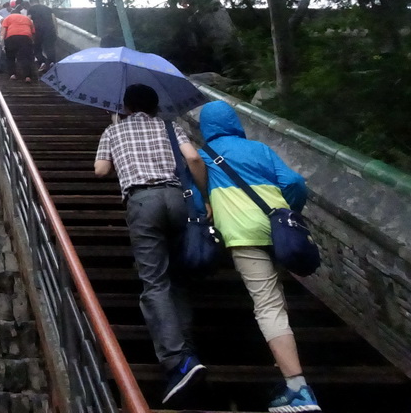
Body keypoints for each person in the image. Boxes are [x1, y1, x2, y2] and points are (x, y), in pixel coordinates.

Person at [198, 101, 321, 413]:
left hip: (243, 235)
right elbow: (294, 182)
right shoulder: (260, 149)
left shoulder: (204, 157)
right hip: (277, 229)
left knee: (268, 306)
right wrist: (287, 211)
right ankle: (291, 374)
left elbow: (197, 196)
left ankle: (298, 388)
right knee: (276, 298)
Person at [94, 83, 210, 404]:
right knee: (178, 279)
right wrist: (207, 197)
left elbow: (100, 170)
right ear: (155, 106)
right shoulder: (170, 127)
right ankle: (189, 350)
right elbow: (194, 159)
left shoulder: (113, 132)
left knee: (154, 282)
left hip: (142, 202)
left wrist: (116, 137)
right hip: (177, 200)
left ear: (127, 107)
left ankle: (177, 360)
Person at [0, 9, 35, 81]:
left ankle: (12, 74)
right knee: (26, 57)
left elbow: (3, 32)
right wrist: (32, 42)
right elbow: (33, 32)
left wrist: (1, 42)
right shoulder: (27, 19)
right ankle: (27, 76)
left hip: (11, 37)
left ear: (11, 13)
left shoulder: (8, 18)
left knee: (10, 57)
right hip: (25, 37)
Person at [27, 0, 57, 72]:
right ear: (38, 1)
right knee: (50, 47)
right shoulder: (48, 8)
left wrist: (29, 32)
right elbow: (54, 19)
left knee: (36, 48)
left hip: (38, 31)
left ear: (31, 3)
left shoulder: (31, 9)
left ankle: (42, 62)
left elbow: (28, 20)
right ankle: (52, 62)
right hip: (50, 30)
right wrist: (56, 30)